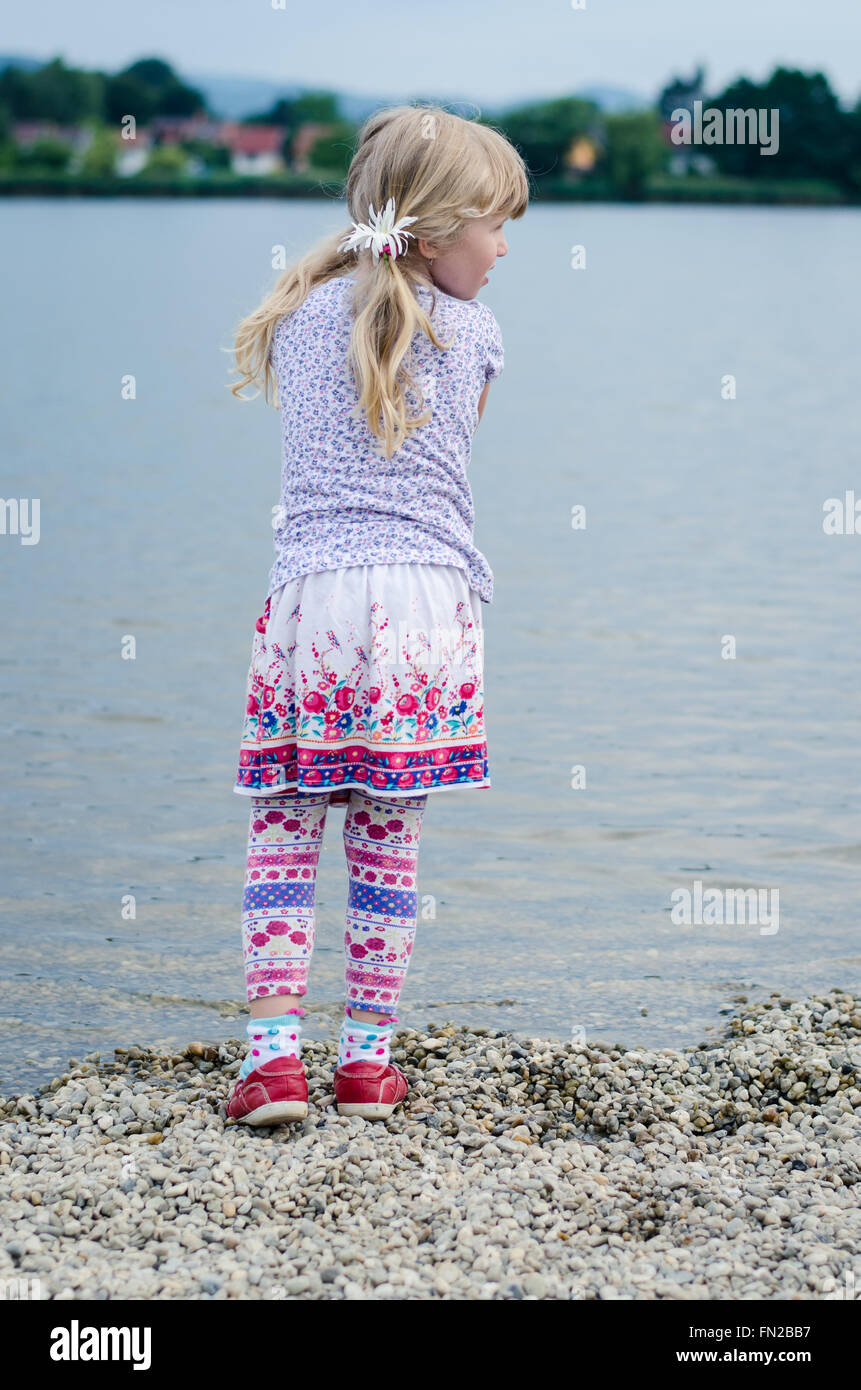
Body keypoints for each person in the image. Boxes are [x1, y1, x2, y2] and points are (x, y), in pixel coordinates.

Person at [225, 104, 528, 1124]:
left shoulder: (302, 308)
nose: (501, 249)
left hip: (317, 602)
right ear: (438, 230)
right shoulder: (475, 333)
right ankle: (365, 1064)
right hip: (425, 610)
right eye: (494, 225)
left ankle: (271, 1061)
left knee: (285, 832)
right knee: (389, 842)